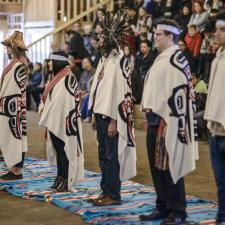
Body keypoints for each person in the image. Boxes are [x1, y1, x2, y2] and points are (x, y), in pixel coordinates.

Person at [140, 19, 198, 225]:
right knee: (157, 168)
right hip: (155, 121)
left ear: (170, 36)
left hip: (169, 122)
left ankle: (178, 210)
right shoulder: (162, 58)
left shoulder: (176, 59)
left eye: (158, 34)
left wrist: (170, 120)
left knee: (170, 166)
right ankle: (163, 206)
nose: (154, 37)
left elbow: (181, 94)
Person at [88, 11, 137, 206]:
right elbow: (99, 88)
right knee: (103, 156)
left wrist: (115, 120)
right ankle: (105, 191)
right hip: (100, 114)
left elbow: (123, 92)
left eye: (101, 37)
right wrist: (93, 113)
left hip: (111, 118)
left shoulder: (119, 61)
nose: (98, 40)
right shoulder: (104, 59)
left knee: (111, 157)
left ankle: (113, 196)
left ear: (110, 39)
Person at [39, 51, 84, 192]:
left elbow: (67, 102)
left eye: (51, 61)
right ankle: (60, 176)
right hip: (55, 119)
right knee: (59, 150)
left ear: (58, 62)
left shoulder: (68, 77)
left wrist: (54, 115)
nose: (49, 63)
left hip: (64, 121)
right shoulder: (57, 77)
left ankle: (66, 177)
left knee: (64, 150)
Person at [204, 11, 225, 225]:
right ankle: (221, 217)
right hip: (215, 131)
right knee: (220, 182)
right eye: (216, 29)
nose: (216, 34)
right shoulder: (217, 57)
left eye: (222, 30)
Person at [0, 31, 28, 180]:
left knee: (15, 137)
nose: (6, 49)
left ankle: (16, 171)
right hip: (12, 106)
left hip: (13, 107)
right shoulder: (16, 64)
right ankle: (14, 169)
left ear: (15, 48)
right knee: (15, 137)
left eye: (9, 46)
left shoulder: (18, 65)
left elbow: (13, 88)